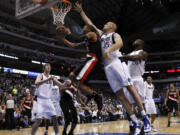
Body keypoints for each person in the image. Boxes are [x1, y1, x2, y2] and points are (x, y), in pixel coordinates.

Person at [74, 2, 151, 134]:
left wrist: (108, 50)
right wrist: (81, 12)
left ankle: (145, 119)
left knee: (130, 88)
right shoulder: (101, 35)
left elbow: (120, 43)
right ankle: (135, 121)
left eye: (107, 23)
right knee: (120, 96)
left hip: (117, 62)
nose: (104, 24)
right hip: (108, 66)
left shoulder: (114, 35)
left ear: (112, 27)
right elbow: (90, 22)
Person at [56, 24, 103, 111]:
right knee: (72, 76)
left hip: (93, 59)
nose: (83, 28)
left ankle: (97, 96)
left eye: (84, 27)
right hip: (89, 59)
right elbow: (74, 45)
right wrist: (63, 39)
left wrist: (68, 32)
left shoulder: (92, 34)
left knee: (78, 82)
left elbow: (76, 39)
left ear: (89, 29)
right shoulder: (87, 39)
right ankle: (90, 94)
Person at [121, 39, 148, 134]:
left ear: (142, 43)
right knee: (129, 103)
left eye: (138, 40)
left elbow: (137, 57)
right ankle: (132, 125)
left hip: (138, 79)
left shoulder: (143, 53)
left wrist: (123, 56)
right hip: (129, 79)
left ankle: (145, 125)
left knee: (141, 103)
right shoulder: (131, 53)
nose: (135, 40)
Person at [31, 63, 65, 135]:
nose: (49, 67)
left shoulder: (52, 77)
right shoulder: (41, 75)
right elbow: (36, 83)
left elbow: (61, 85)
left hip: (48, 100)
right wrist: (47, 80)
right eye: (47, 66)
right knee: (39, 120)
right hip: (40, 100)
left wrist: (68, 82)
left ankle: (57, 134)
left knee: (55, 118)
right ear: (44, 68)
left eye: (50, 66)